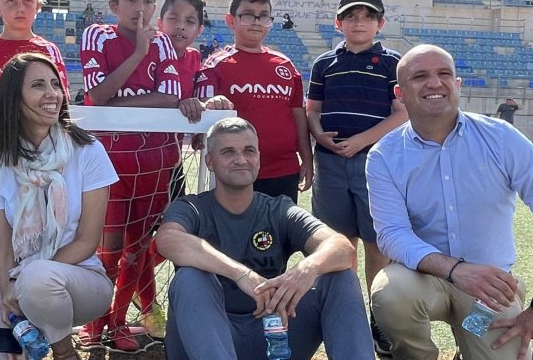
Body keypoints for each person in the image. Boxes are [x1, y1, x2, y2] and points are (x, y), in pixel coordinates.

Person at [366, 44, 533, 360]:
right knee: (391, 294)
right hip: (421, 279)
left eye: (444, 73)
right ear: (400, 94)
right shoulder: (385, 155)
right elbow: (392, 234)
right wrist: (456, 270)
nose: (434, 83)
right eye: (420, 76)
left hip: (489, 286)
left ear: (457, 84)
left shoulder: (501, 138)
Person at [155, 117, 374, 360]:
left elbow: (342, 248)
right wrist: (241, 274)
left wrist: (306, 270)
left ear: (258, 158)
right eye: (228, 152)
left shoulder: (278, 209)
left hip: (272, 333)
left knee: (340, 277)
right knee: (188, 277)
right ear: (209, 162)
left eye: (249, 151)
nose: (241, 159)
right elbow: (168, 239)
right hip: (208, 339)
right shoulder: (192, 208)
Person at [0, 53, 117, 360]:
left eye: (55, 84)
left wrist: (27, 280)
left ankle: (64, 353)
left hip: (80, 279)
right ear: (14, 98)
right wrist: (8, 293)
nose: (52, 94)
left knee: (38, 278)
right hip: (11, 279)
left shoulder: (88, 151)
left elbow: (87, 241)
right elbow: (1, 243)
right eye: (38, 85)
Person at [78, 0, 182, 351]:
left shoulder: (164, 42)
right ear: (113, 4)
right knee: (107, 250)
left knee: (138, 251)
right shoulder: (98, 36)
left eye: (148, 0)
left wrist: (115, 104)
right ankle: (95, 322)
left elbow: (170, 98)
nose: (140, 8)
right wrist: (138, 54)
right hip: (109, 163)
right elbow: (96, 96)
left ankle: (119, 323)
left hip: (154, 162)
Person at [305, 0, 406, 356]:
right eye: (351, 16)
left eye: (367, 16)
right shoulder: (324, 64)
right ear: (339, 23)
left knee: (376, 243)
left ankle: (379, 316)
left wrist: (362, 140)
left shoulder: (393, 63)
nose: (359, 22)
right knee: (338, 242)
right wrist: (320, 135)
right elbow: (312, 109)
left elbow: (401, 113)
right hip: (331, 163)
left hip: (375, 164)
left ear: (380, 23)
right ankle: (344, 315)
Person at [133, 0, 232, 337]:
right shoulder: (144, 51)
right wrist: (176, 102)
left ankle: (148, 293)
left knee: (174, 235)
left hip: (170, 164)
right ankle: (147, 308)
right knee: (132, 240)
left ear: (199, 30)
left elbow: (202, 110)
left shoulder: (196, 64)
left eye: (190, 21)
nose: (180, 26)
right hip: (130, 160)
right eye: (173, 17)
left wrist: (209, 105)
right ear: (160, 20)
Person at [197, 0, 312, 203]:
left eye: (263, 16)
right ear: (231, 20)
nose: (257, 22)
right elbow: (203, 106)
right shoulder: (215, 64)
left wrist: (306, 158)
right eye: (248, 15)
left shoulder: (286, 66)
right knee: (236, 224)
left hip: (284, 170)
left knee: (281, 224)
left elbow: (298, 116)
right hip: (236, 170)